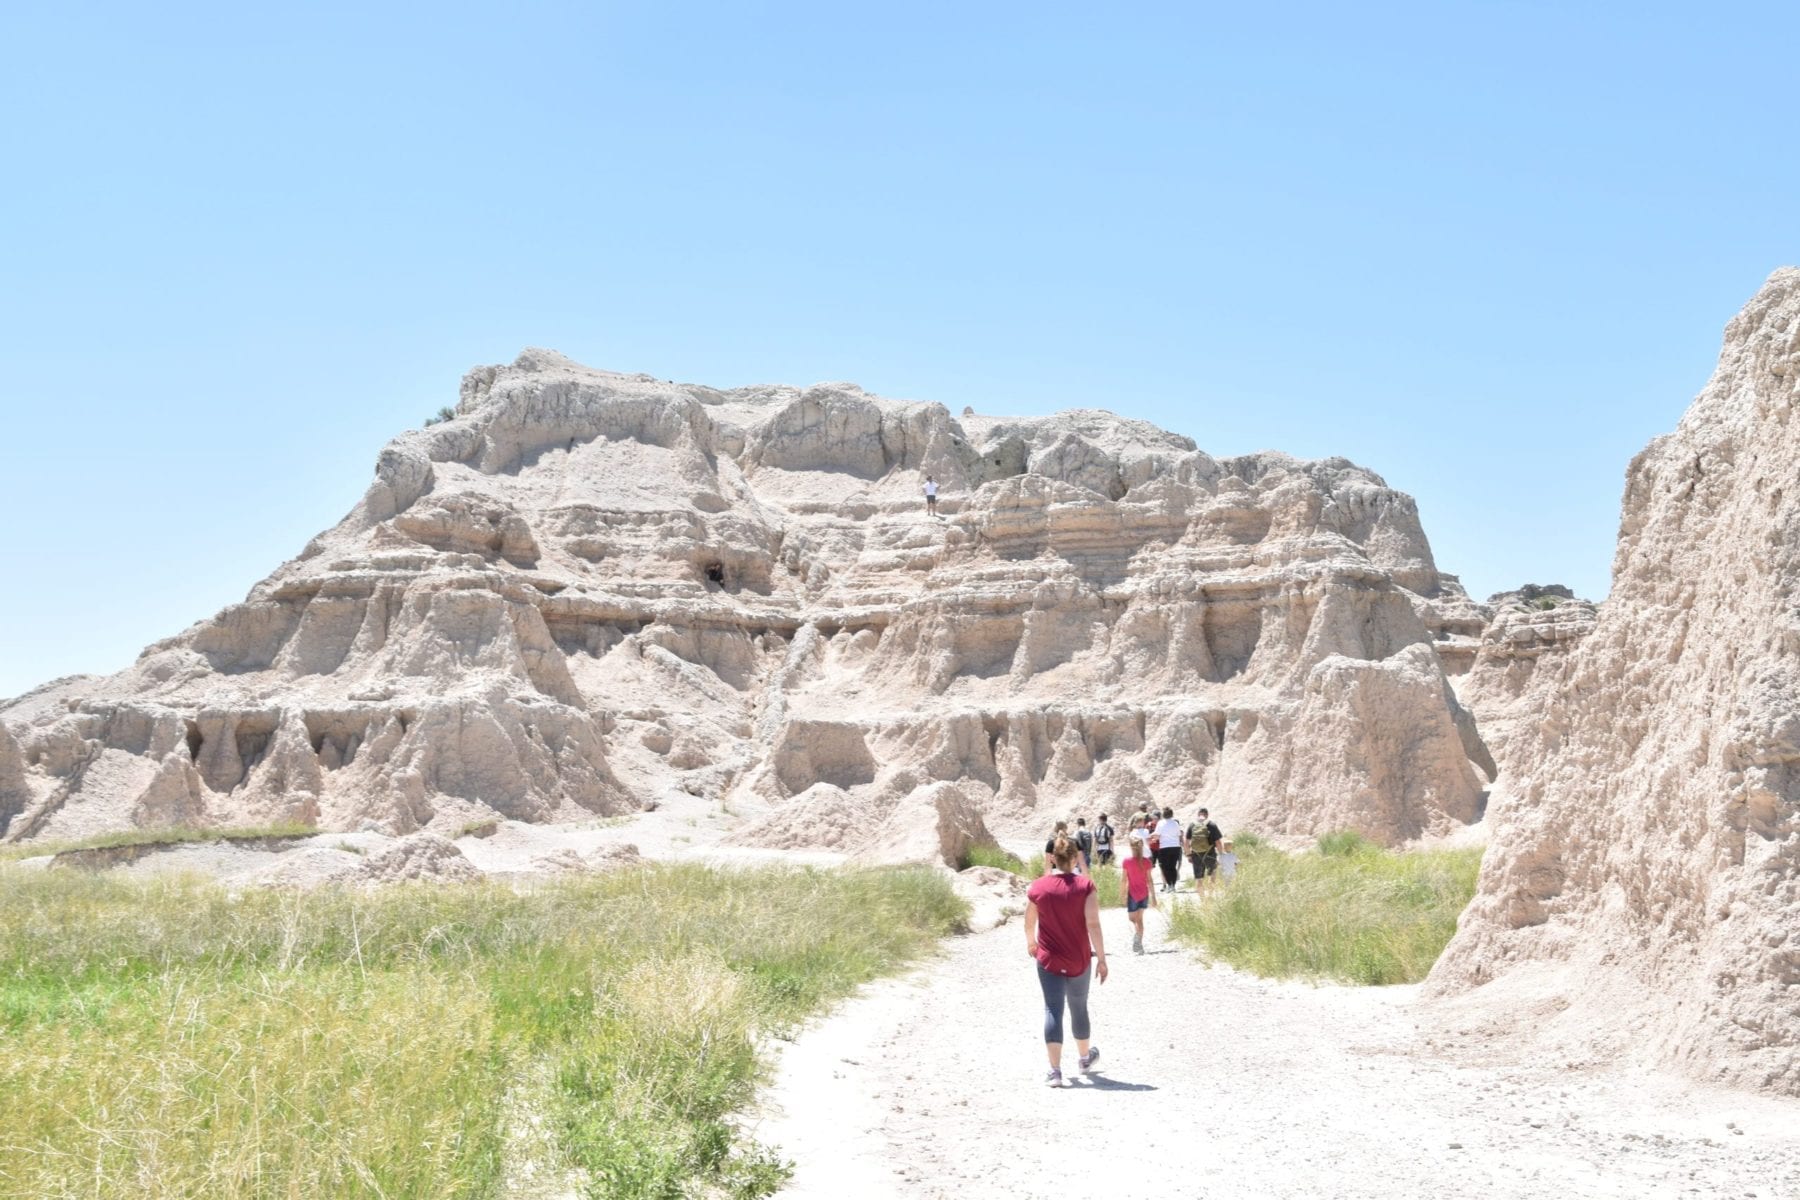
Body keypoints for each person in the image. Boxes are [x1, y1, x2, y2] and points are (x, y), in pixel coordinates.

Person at [1025, 835, 1108, 1087]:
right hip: (1079, 958)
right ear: (1074, 859)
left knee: (1052, 1009)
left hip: (1048, 958)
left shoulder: (1037, 887)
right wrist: (1102, 959)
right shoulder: (1085, 887)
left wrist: (1031, 943)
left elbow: (1029, 922)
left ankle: (1055, 1072)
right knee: (1078, 1006)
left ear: (1052, 858)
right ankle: (1084, 1059)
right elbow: (1093, 924)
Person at [1120, 833, 1157, 954]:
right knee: (1140, 919)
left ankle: (1137, 940)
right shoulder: (1147, 862)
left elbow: (1124, 879)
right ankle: (1139, 942)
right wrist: (1154, 897)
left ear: (1131, 848)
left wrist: (1122, 894)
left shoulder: (1127, 861)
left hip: (1133, 895)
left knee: (1132, 919)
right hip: (1144, 894)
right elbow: (1150, 880)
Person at [1188, 808, 1224, 887]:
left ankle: (1203, 899)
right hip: (1210, 853)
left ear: (1198, 815)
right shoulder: (1212, 825)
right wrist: (1221, 854)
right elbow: (1218, 842)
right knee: (1212, 874)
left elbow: (1186, 842)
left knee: (1199, 879)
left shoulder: (1192, 825)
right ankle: (1210, 897)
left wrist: (1188, 855)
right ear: (1207, 815)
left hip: (1196, 854)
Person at [1153, 806, 1186, 892]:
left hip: (1164, 847)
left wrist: (1151, 838)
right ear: (1171, 814)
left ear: (1163, 815)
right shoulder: (1175, 823)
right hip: (1175, 847)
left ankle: (1169, 884)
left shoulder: (1160, 823)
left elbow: (1157, 835)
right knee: (1172, 866)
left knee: (1165, 867)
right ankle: (1173, 885)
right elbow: (1179, 835)